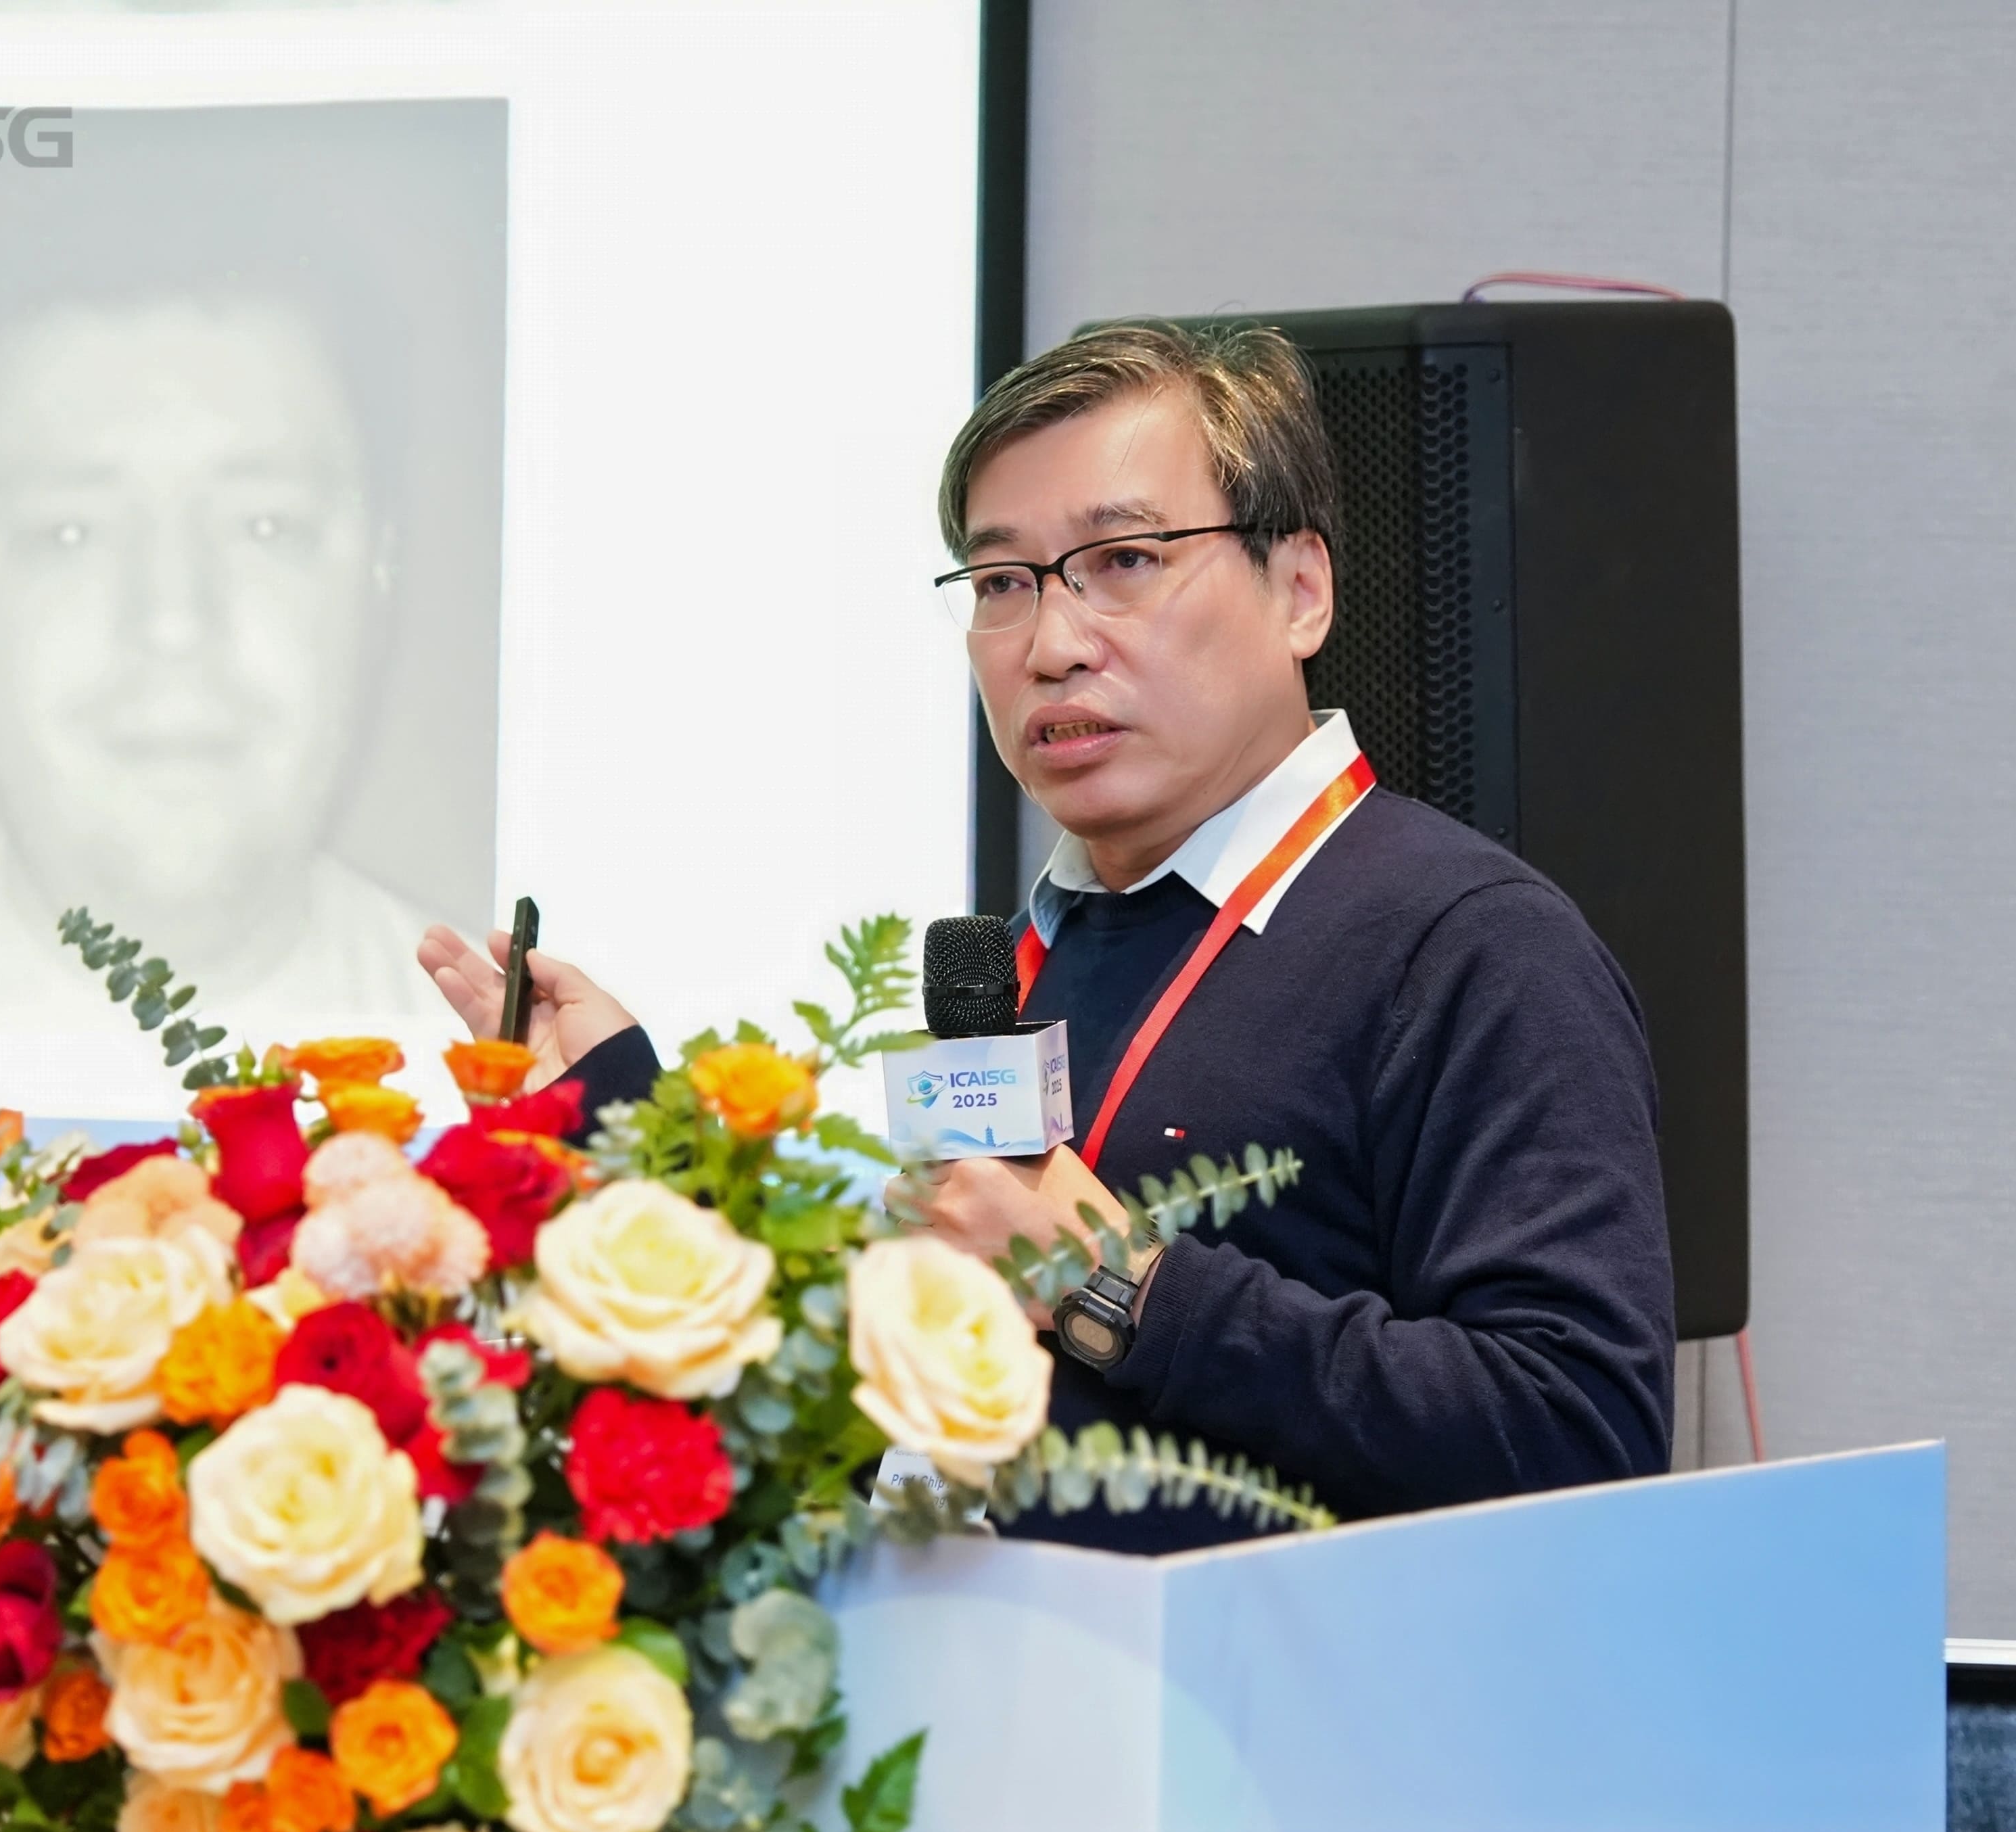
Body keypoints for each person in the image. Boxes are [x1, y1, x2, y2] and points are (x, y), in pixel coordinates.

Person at [423, 319, 1674, 1550]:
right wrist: (624, 1126)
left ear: (1300, 590)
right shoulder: (1035, 949)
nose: (1052, 644)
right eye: (1002, 585)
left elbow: (1579, 1434)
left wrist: (1110, 1279)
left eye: (1124, 559)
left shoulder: (1471, 947)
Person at [0, 287, 456, 1012]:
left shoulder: (527, 1056)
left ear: (378, 577)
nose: (173, 620)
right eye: (68, 533)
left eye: (266, 526)